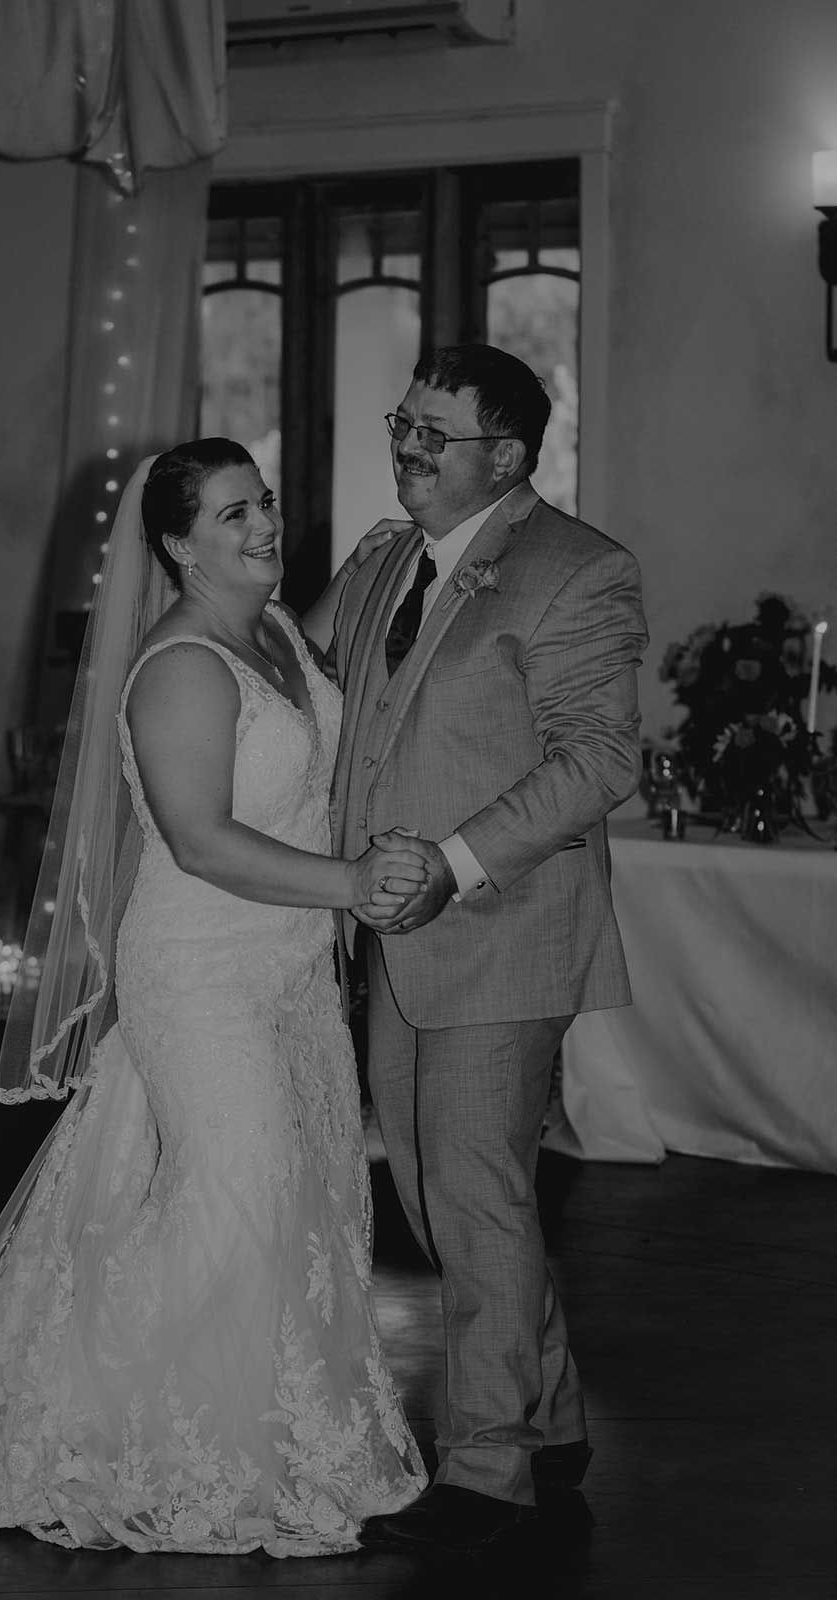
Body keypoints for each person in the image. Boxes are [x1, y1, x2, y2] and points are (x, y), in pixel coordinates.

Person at [0, 439, 430, 1556]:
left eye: (266, 503)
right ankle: (93, 1433)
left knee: (301, 1196)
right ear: (173, 544)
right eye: (232, 514)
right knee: (235, 1188)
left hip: (288, 967)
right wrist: (350, 882)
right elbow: (199, 840)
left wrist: (383, 558)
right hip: (199, 968)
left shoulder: (278, 629)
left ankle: (246, 1434)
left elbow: (323, 671)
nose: (262, 526)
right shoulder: (182, 666)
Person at [327, 345, 649, 1558]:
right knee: (444, 1192)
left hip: (500, 928)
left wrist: (450, 862)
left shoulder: (577, 570)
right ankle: (547, 1416)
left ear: (506, 457)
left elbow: (597, 758)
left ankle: (488, 1466)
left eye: (431, 434)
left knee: (469, 1194)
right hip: (391, 940)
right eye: (399, 424)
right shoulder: (381, 562)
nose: (403, 449)